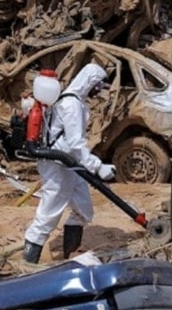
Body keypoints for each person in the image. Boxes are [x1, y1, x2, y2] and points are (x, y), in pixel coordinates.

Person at [22, 63, 115, 264]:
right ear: (88, 82)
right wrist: (98, 166)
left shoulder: (73, 100)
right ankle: (27, 264)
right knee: (47, 216)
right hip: (58, 166)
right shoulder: (71, 104)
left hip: (69, 165)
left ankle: (71, 256)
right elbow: (76, 143)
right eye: (97, 86)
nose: (97, 91)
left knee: (83, 210)